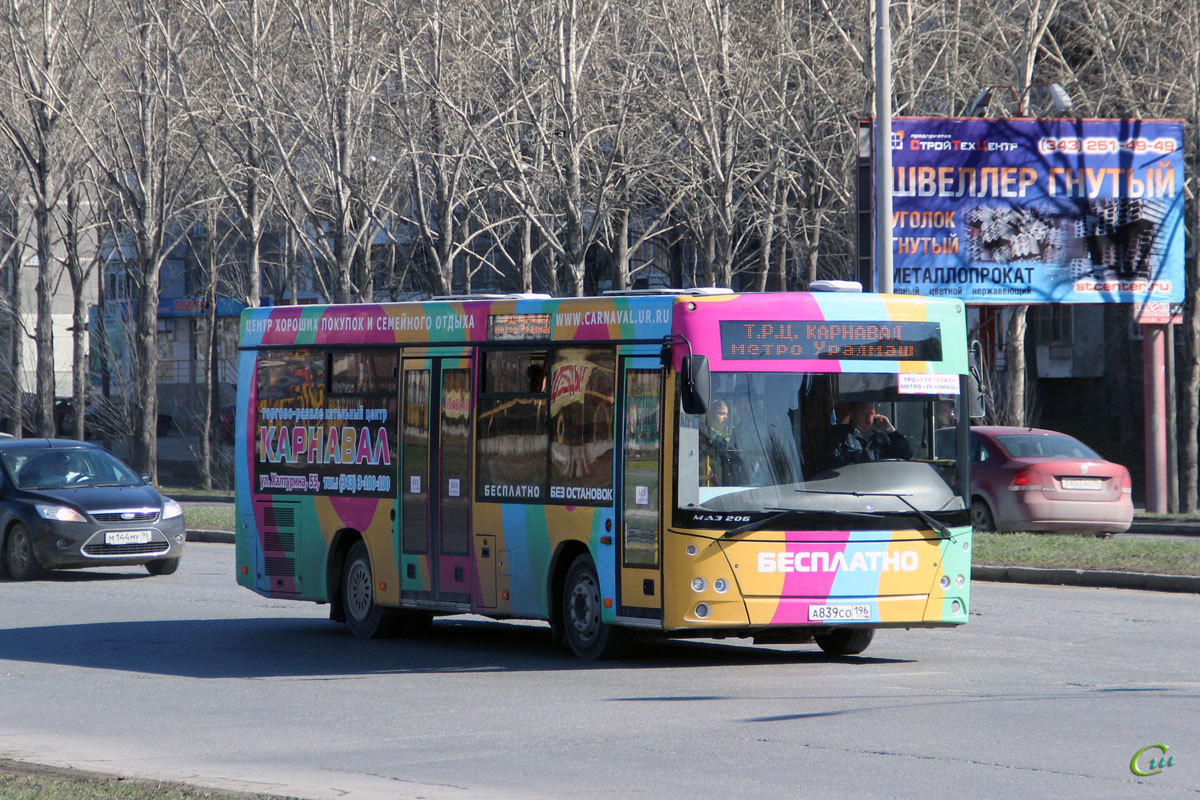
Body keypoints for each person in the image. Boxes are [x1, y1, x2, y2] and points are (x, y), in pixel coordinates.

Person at [827, 401, 913, 468]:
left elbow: (906, 454)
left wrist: (890, 429)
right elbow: (832, 463)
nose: (868, 418)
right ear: (853, 415)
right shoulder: (840, 437)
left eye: (871, 414)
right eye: (864, 413)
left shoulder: (880, 438)